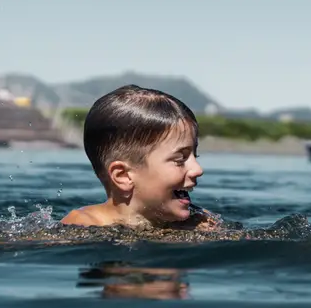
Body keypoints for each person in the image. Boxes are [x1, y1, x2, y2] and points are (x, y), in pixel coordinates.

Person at [60, 85, 217, 231]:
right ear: (123, 175)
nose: (198, 169)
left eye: (194, 155)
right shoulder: (82, 225)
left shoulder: (199, 221)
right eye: (180, 159)